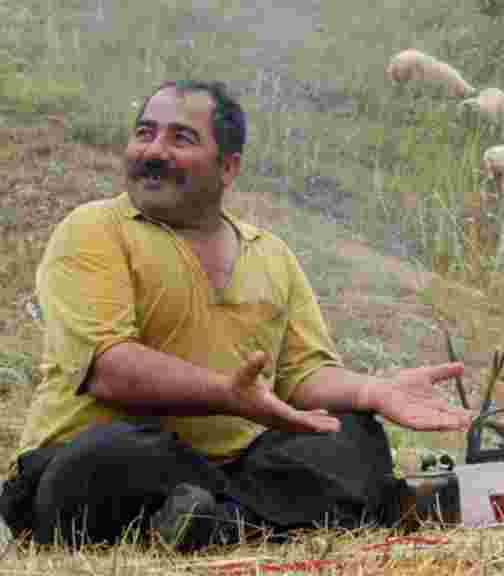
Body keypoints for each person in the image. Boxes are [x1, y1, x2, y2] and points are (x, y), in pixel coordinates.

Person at [0, 80, 474, 550]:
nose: (154, 150)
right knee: (107, 456)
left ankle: (214, 522)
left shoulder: (271, 254)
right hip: (108, 460)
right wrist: (228, 394)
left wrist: (375, 390)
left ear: (228, 167)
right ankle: (260, 517)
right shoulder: (93, 229)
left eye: (180, 139)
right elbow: (109, 369)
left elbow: (302, 374)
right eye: (144, 133)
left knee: (352, 433)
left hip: (232, 467)